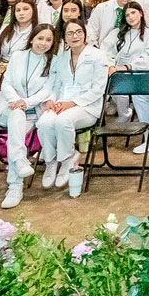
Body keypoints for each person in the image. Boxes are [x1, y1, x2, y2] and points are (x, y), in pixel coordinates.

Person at [37, 20, 107, 199]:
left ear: (84, 34)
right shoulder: (61, 57)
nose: (75, 36)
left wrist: (73, 103)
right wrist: (51, 100)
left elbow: (98, 89)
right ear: (64, 37)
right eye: (70, 33)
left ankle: (67, 159)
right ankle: (51, 162)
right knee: (44, 121)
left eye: (78, 32)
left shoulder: (97, 56)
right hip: (62, 103)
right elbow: (55, 83)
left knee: (63, 121)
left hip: (87, 107)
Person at [0, 24, 57, 208]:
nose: (43, 43)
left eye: (48, 40)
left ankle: (15, 185)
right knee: (16, 117)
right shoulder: (17, 56)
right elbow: (6, 83)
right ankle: (18, 172)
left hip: (34, 110)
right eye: (40, 38)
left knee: (17, 131)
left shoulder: (52, 61)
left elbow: (48, 89)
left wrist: (26, 102)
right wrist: (16, 101)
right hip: (9, 108)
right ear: (32, 38)